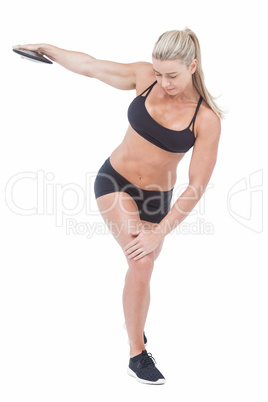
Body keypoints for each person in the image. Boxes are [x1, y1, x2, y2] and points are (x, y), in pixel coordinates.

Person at [13, 27, 224, 385]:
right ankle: (136, 353)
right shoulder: (144, 77)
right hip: (115, 182)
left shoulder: (205, 120)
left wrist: (160, 230)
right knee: (140, 262)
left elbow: (198, 185)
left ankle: (133, 318)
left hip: (159, 198)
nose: (163, 81)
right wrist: (49, 48)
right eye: (158, 73)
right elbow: (91, 66)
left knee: (143, 268)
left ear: (192, 66)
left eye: (171, 75)